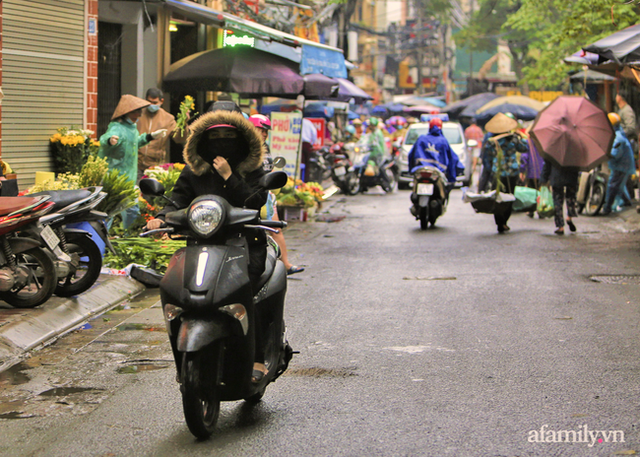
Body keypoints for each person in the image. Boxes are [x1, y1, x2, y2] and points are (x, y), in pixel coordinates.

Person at [146, 103, 270, 382]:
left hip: (245, 243)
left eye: (228, 135)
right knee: (179, 287)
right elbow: (178, 198)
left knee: (245, 291)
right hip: (202, 244)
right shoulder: (195, 170)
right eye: (214, 136)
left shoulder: (251, 167)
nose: (221, 142)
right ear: (203, 139)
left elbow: (255, 201)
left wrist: (229, 176)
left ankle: (257, 356)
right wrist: (161, 217)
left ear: (241, 135)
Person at [99, 94, 167, 229]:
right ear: (127, 112)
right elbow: (105, 139)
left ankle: (126, 236)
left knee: (127, 210)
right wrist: (110, 140)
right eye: (136, 111)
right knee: (113, 211)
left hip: (127, 177)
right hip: (115, 177)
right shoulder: (117, 127)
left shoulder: (132, 128)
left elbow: (135, 143)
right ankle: (103, 238)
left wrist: (150, 136)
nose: (139, 115)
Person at [248, 114, 305, 276]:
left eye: (266, 131)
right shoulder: (246, 147)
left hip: (265, 194)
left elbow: (269, 168)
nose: (264, 134)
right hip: (250, 195)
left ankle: (286, 264)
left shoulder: (265, 147)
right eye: (261, 130)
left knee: (275, 228)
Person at [483, 113, 529, 233]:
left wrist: (490, 170)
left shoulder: (491, 141)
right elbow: (525, 148)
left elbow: (486, 157)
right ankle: (504, 222)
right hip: (511, 173)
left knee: (498, 198)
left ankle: (499, 222)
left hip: (497, 174)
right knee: (509, 198)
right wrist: (521, 137)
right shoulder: (513, 139)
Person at [137, 88, 188, 178]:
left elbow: (179, 139)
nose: (151, 105)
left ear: (161, 101)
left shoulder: (167, 119)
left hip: (155, 166)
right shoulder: (138, 114)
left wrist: (184, 124)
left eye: (155, 102)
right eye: (149, 102)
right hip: (136, 164)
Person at [408, 117, 463, 196]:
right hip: (437, 171)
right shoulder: (443, 141)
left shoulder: (421, 139)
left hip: (420, 170)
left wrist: (411, 170)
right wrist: (452, 177)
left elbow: (411, 155)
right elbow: (453, 160)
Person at [601, 112, 635, 216]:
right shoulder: (617, 133)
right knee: (619, 184)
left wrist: (606, 154)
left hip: (621, 165)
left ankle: (607, 208)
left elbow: (615, 153)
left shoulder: (618, 138)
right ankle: (626, 201)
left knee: (613, 185)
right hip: (622, 164)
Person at [519, 139, 544, 217]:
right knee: (542, 191)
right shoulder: (544, 141)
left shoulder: (528, 142)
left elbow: (524, 157)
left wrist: (522, 170)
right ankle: (542, 209)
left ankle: (530, 210)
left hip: (532, 171)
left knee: (531, 191)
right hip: (543, 170)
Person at [366, 117, 392, 191]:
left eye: (371, 125)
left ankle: (388, 185)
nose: (370, 126)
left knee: (381, 170)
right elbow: (366, 141)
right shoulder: (371, 133)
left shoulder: (378, 133)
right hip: (372, 154)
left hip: (379, 154)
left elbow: (378, 145)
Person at [301, 117, 318, 182]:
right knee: (306, 164)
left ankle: (301, 180)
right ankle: (305, 180)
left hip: (298, 144)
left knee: (301, 163)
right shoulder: (308, 122)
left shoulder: (296, 121)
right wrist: (311, 143)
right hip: (307, 144)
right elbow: (314, 133)